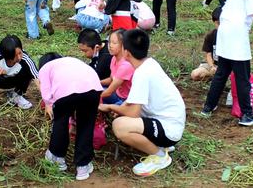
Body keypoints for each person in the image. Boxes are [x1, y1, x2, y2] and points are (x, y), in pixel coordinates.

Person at [99, 29, 186, 177]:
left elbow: (133, 113)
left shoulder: (142, 74)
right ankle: (159, 145)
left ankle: (159, 156)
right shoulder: (148, 64)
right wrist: (121, 108)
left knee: (119, 126)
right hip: (167, 121)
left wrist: (109, 106)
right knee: (122, 113)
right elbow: (132, 101)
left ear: (126, 52)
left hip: (169, 129)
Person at [38, 53, 102, 181]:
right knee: (86, 125)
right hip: (93, 88)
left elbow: (45, 94)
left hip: (66, 92)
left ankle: (58, 159)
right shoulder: (71, 60)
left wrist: (50, 104)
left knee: (60, 121)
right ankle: (83, 166)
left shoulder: (45, 68)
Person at [0, 35, 39, 109]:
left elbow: (36, 76)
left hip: (11, 79)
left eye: (20, 53)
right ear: (7, 55)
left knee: (28, 72)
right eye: (15, 55)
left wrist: (47, 101)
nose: (19, 57)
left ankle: (16, 95)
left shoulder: (24, 58)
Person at [100, 29, 134, 105]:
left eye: (114, 43)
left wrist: (93, 97)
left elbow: (109, 92)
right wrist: (97, 83)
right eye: (109, 42)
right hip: (116, 93)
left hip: (124, 100)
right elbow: (111, 79)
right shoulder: (114, 58)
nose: (110, 45)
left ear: (124, 45)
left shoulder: (126, 65)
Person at [191, 7, 221, 81]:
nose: (221, 26)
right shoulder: (211, 35)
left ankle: (220, 76)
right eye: (218, 23)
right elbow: (208, 54)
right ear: (214, 22)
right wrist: (211, 67)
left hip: (228, 67)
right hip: (214, 65)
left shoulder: (232, 36)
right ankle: (214, 75)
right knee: (195, 74)